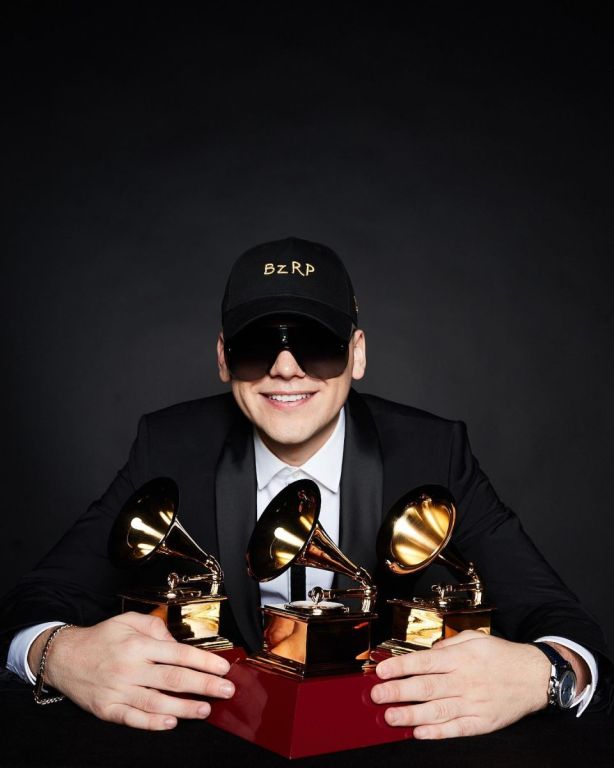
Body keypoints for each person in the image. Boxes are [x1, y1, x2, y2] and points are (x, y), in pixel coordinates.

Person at [0, 236, 611, 739]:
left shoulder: (433, 452)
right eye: (256, 346)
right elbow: (37, 599)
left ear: (357, 354)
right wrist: (58, 656)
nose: (285, 368)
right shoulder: (168, 446)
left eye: (315, 345)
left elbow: (562, 622)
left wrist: (545, 677)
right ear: (222, 358)